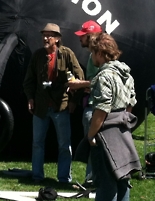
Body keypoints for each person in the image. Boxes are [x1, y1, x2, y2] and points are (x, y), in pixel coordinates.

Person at [23, 23, 85, 183]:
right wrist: (30, 98)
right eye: (44, 35)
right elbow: (28, 80)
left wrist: (74, 101)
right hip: (41, 107)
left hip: (61, 106)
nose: (45, 38)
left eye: (49, 35)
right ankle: (37, 176)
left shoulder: (67, 54)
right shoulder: (37, 55)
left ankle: (64, 178)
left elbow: (80, 78)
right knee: (37, 143)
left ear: (57, 39)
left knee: (64, 145)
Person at [87, 33, 141, 201]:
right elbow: (131, 102)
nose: (92, 56)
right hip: (123, 130)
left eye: (93, 52)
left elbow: (102, 110)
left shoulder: (104, 76)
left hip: (107, 134)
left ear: (100, 53)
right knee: (123, 178)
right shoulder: (126, 73)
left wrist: (90, 135)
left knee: (106, 183)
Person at [68, 20, 103, 186]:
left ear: (90, 36)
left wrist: (78, 84)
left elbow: (100, 81)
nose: (80, 39)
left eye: (83, 36)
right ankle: (93, 179)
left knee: (93, 143)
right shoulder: (92, 56)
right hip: (91, 104)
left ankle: (92, 180)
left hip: (96, 107)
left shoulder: (98, 56)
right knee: (92, 144)